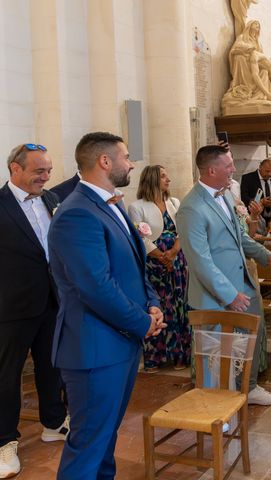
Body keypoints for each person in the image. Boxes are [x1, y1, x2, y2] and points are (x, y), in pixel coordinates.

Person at [48, 132, 166, 479]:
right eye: (126, 156)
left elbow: (134, 264)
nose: (131, 163)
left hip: (118, 342)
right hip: (94, 348)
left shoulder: (108, 205)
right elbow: (95, 286)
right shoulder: (77, 213)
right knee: (88, 443)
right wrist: (141, 322)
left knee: (104, 439)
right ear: (104, 161)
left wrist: (153, 304)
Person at [175, 144, 271, 406]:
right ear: (212, 169)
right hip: (214, 295)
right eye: (228, 165)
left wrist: (267, 256)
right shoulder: (191, 208)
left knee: (247, 342)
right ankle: (214, 404)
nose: (234, 169)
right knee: (216, 351)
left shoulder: (225, 196)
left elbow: (241, 239)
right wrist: (228, 294)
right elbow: (199, 260)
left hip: (244, 286)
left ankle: (248, 388)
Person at [0, 144, 69, 478]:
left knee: (51, 366)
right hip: (10, 308)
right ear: (15, 169)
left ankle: (54, 422)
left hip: (51, 301)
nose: (46, 177)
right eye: (38, 171)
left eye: (48, 170)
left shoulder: (51, 200)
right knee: (6, 376)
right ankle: (4, 442)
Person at [127, 165, 190, 373]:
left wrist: (172, 253)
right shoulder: (137, 206)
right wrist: (161, 256)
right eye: (163, 176)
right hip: (154, 264)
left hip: (177, 260)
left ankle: (180, 354)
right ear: (153, 179)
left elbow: (183, 230)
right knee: (159, 306)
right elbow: (140, 237)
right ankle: (155, 356)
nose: (168, 179)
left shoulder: (174, 202)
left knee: (178, 306)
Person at [240, 158, 271, 222]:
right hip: (256, 218)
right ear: (260, 167)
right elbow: (244, 198)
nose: (270, 174)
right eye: (267, 171)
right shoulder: (247, 178)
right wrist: (260, 202)